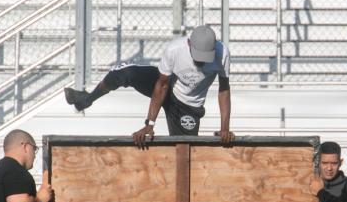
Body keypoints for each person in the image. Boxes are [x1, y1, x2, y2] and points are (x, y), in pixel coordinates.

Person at [63, 25, 233, 145]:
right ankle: (88, 98)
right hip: (167, 85)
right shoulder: (175, 50)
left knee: (184, 151)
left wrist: (224, 128)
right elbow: (162, 85)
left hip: (188, 106)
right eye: (197, 56)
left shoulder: (222, 54)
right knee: (124, 73)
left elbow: (224, 89)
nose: (201, 62)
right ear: (189, 44)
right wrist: (149, 125)